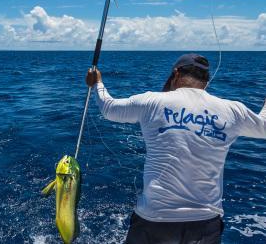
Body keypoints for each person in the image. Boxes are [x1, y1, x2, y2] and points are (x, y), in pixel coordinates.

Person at [85, 53, 266, 244]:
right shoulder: (233, 110)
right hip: (205, 224)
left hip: (153, 220)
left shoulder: (151, 101)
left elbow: (108, 108)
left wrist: (97, 82)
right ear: (206, 80)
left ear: (176, 73)